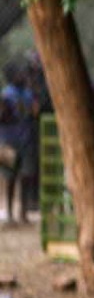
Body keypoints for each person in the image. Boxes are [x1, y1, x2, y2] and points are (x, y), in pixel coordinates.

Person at [0, 63, 35, 224]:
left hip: (26, 140)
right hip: (8, 141)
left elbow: (33, 112)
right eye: (18, 74)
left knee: (27, 175)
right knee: (10, 177)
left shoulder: (28, 94)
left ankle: (23, 211)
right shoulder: (6, 95)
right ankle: (9, 212)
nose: (22, 76)